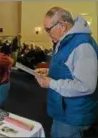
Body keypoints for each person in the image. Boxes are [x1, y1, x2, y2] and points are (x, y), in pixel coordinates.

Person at [35, 7, 98, 137]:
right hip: (63, 111)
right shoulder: (65, 40)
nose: (47, 33)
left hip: (73, 116)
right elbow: (69, 69)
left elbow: (86, 85)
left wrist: (51, 83)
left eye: (48, 29)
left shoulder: (82, 46)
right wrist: (49, 71)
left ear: (62, 25)